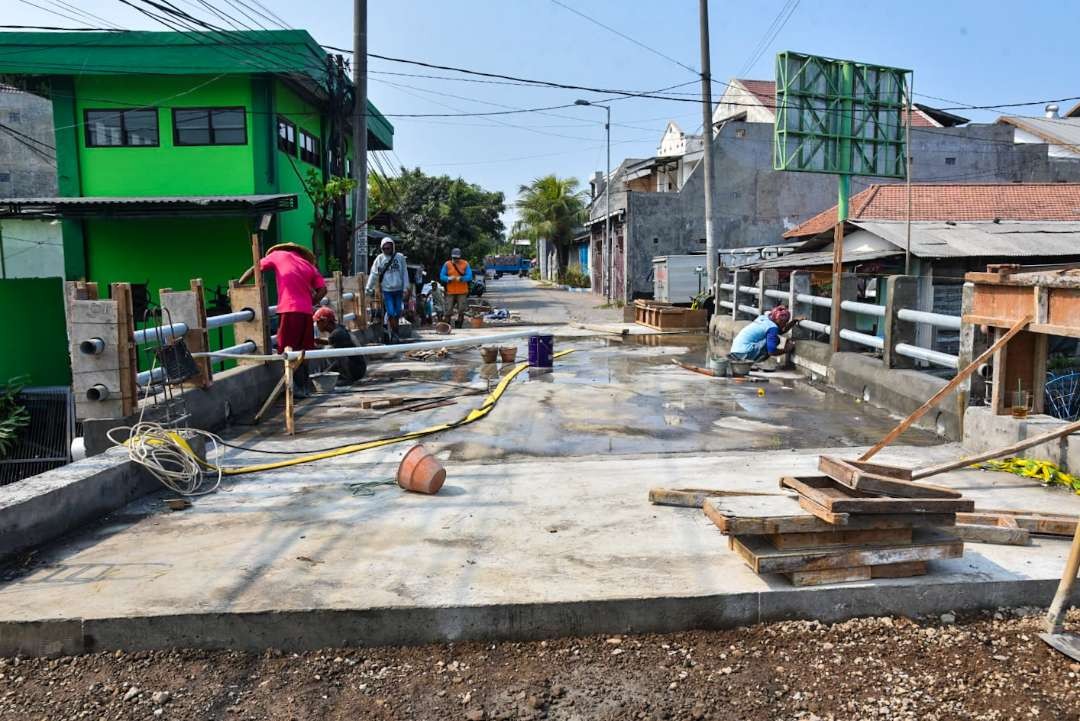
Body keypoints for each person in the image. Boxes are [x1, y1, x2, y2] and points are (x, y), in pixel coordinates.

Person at [239, 242, 325, 396]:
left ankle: (292, 388)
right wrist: (310, 302)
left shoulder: (277, 255)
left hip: (289, 309)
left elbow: (255, 269)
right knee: (304, 351)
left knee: (287, 349)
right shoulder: (308, 265)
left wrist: (238, 285)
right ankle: (304, 386)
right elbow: (323, 290)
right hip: (306, 313)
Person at [366, 238, 409, 343]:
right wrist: (369, 287)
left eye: (388, 247)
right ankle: (394, 334)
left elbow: (404, 273)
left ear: (392, 247)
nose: (387, 250)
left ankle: (395, 331)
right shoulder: (379, 259)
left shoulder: (400, 258)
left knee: (397, 312)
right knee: (391, 312)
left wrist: (406, 288)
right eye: (384, 248)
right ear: (381, 248)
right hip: (387, 290)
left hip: (398, 290)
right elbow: (374, 274)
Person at [729, 305, 803, 363]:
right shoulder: (772, 328)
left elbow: (780, 330)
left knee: (773, 338)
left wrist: (794, 322)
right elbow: (771, 351)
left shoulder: (764, 317)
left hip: (735, 350)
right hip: (743, 354)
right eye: (784, 323)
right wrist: (786, 350)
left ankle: (748, 362)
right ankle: (750, 362)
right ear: (778, 321)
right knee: (775, 340)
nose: (785, 324)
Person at [313, 306, 367, 385]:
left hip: (356, 371)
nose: (316, 325)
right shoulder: (340, 329)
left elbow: (337, 359)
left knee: (328, 350)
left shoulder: (335, 335)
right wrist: (319, 341)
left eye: (318, 322)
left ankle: (346, 378)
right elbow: (332, 341)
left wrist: (324, 374)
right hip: (360, 368)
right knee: (330, 349)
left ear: (325, 321)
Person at [440, 247, 473, 328]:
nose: (456, 259)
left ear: (460, 257)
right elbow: (441, 276)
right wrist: (448, 278)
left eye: (457, 258)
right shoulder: (447, 264)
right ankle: (447, 325)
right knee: (448, 309)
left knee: (461, 309)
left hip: (462, 291)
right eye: (454, 258)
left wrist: (462, 278)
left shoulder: (465, 264)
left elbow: (470, 276)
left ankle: (459, 325)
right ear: (451, 256)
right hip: (450, 291)